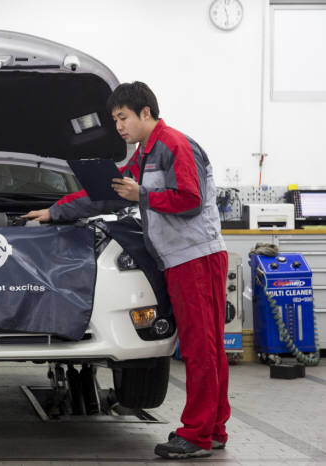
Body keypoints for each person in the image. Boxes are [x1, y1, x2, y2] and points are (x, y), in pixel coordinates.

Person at [23, 81, 229, 459]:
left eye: (123, 118)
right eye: (115, 119)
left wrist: (143, 196)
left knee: (202, 349)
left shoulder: (174, 146)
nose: (118, 127)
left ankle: (198, 435)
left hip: (196, 257)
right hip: (178, 258)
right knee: (207, 348)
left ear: (145, 113)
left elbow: (191, 199)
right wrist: (55, 211)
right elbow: (106, 193)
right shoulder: (144, 154)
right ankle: (213, 429)